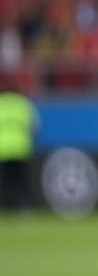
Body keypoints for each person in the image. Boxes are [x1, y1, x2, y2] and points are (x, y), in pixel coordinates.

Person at [0, 79, 39, 212]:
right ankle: (24, 207)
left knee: (5, 181)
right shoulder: (23, 104)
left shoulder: (1, 103)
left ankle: (6, 207)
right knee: (21, 181)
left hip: (4, 149)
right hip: (21, 148)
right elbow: (34, 128)